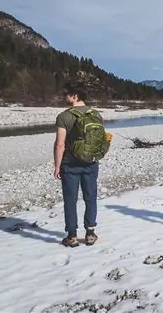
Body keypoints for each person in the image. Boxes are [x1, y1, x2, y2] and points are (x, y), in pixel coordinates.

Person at [54, 82, 108, 247]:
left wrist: (57, 166)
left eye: (67, 94)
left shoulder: (64, 116)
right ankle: (90, 233)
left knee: (70, 200)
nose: (65, 97)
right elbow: (100, 140)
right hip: (91, 163)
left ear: (74, 96)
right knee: (90, 198)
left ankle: (72, 236)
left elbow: (60, 145)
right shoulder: (96, 114)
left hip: (70, 164)